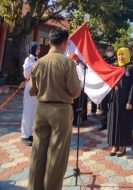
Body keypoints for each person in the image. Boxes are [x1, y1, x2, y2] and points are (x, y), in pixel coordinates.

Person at [28, 28, 81, 190]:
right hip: (61, 111)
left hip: (42, 109)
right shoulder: (67, 63)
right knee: (57, 155)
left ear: (50, 41)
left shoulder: (38, 63)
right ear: (64, 43)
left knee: (38, 152)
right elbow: (75, 91)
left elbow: (32, 90)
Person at [107, 47, 133, 157]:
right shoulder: (115, 66)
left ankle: (123, 146)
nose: (121, 56)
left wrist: (130, 101)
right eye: (119, 54)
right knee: (114, 122)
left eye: (123, 54)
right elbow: (110, 80)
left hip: (125, 101)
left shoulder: (131, 67)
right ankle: (114, 145)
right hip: (114, 99)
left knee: (124, 123)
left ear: (127, 55)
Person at [21, 42, 40, 146]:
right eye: (37, 48)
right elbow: (26, 74)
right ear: (33, 49)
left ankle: (30, 133)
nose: (39, 50)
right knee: (28, 112)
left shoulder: (38, 59)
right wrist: (35, 65)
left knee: (34, 112)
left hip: (36, 88)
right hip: (29, 87)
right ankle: (24, 135)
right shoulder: (28, 59)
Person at [99, 45, 117, 130]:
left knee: (113, 106)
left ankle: (112, 123)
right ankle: (104, 123)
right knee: (103, 106)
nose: (109, 51)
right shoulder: (102, 59)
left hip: (113, 86)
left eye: (111, 50)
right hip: (103, 86)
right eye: (108, 50)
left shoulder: (116, 60)